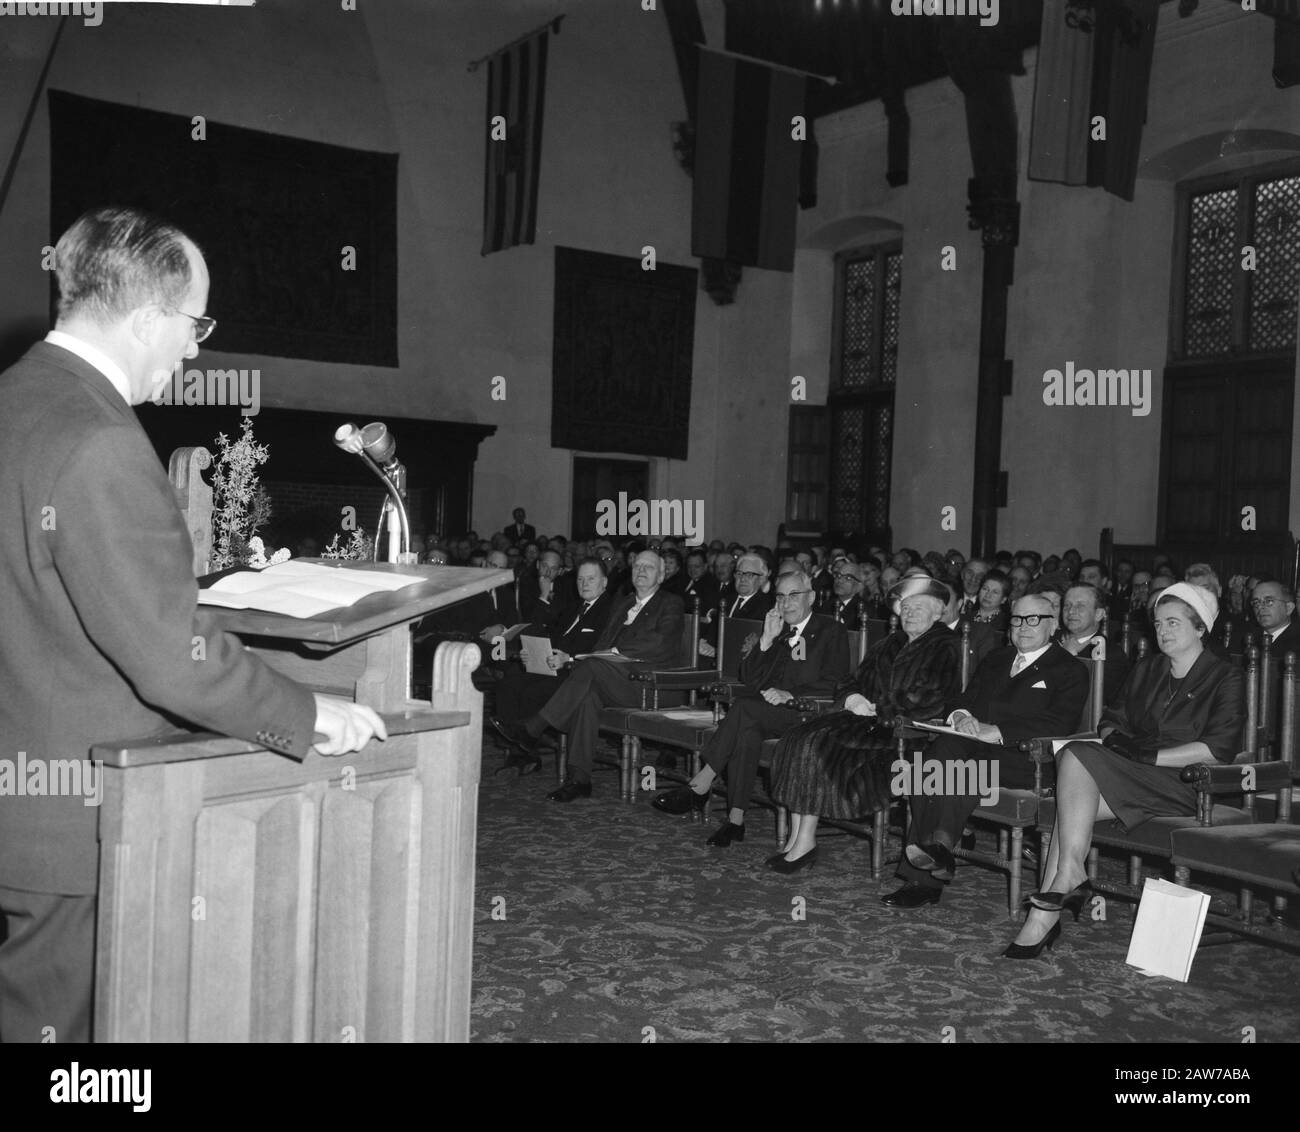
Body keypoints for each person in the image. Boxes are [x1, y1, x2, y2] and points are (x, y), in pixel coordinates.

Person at [0, 207, 385, 1043]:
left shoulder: (16, 400)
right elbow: (171, 660)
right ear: (146, 318)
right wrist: (310, 711)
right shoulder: (97, 439)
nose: (197, 348)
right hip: (75, 815)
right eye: (195, 322)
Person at [1005, 583, 1245, 958]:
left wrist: (1147, 756)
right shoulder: (1149, 668)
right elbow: (1112, 718)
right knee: (1071, 804)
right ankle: (1048, 908)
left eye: (1173, 622)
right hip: (1133, 774)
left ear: (1201, 629)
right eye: (1158, 623)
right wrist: (1116, 739)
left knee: (1074, 762)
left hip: (1187, 783)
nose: (1163, 631)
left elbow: (1217, 750)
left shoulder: (1224, 676)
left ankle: (1054, 900)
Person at [882, 593, 1089, 909]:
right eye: (1017, 619)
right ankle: (939, 849)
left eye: (1033, 619)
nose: (1023, 626)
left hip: (1026, 758)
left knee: (938, 770)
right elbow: (963, 698)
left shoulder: (1068, 669)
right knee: (939, 751)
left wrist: (999, 731)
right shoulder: (997, 659)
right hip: (975, 751)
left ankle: (928, 870)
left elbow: (1059, 722)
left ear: (1053, 624)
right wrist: (961, 716)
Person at [768, 576, 960, 872]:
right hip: (866, 723)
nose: (909, 612)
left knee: (815, 745)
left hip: (903, 734)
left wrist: (879, 709)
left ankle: (805, 840)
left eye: (918, 607)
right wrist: (853, 697)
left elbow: (929, 698)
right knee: (797, 738)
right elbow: (851, 680)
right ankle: (796, 839)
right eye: (905, 606)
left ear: (937, 612)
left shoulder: (944, 645)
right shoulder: (889, 642)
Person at [650, 571, 851, 846]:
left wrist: (790, 693)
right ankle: (735, 820)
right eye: (780, 596)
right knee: (747, 733)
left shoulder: (830, 630)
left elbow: (836, 682)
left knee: (744, 708)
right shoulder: (779, 631)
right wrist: (766, 641)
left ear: (812, 597)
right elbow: (750, 679)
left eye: (794, 595)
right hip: (769, 713)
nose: (786, 603)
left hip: (810, 713)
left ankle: (700, 784)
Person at [494, 550, 685, 801]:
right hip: (617, 678)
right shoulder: (625, 602)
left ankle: (534, 727)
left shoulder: (671, 603)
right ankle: (579, 779)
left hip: (653, 685)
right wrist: (593, 655)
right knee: (587, 697)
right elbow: (602, 642)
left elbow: (659, 644)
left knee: (593, 666)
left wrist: (610, 652)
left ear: (661, 575)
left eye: (648, 568)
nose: (641, 571)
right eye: (637, 565)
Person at [490, 558, 615, 773]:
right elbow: (553, 637)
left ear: (604, 582)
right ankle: (519, 749)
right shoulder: (573, 608)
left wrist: (570, 658)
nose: (584, 584)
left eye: (591, 579)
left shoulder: (611, 611)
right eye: (580, 579)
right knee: (509, 682)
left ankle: (525, 750)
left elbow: (606, 650)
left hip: (578, 674)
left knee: (532, 691)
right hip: (553, 665)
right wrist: (534, 654)